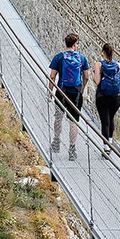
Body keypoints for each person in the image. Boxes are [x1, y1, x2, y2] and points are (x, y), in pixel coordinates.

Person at [48, 33, 90, 161]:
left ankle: (56, 142)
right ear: (75, 44)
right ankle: (72, 150)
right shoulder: (82, 58)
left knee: (58, 117)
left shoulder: (59, 57)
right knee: (73, 122)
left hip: (61, 91)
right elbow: (86, 77)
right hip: (76, 93)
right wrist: (81, 90)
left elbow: (52, 76)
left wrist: (50, 91)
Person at [92, 42, 120, 156]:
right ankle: (110, 143)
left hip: (102, 97)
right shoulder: (119, 65)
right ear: (113, 53)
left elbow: (97, 81)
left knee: (104, 122)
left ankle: (106, 148)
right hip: (116, 98)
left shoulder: (99, 65)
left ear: (103, 52)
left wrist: (93, 75)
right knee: (111, 119)